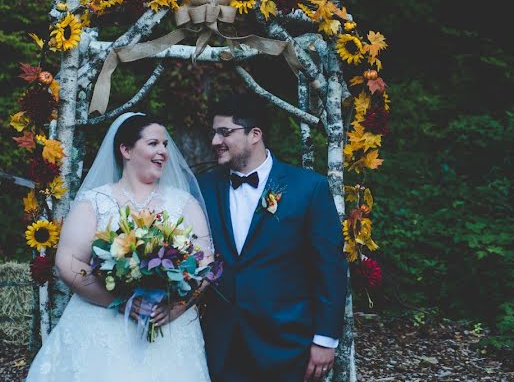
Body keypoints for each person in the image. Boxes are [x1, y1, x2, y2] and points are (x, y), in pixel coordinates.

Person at [26, 112, 213, 382]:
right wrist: (120, 301)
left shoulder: (184, 203)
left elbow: (205, 264)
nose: (162, 151)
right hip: (102, 326)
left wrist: (175, 308)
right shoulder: (95, 201)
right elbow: (68, 261)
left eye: (165, 145)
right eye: (153, 144)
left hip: (168, 328)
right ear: (125, 149)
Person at [197, 95, 347, 382]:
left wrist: (325, 339)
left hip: (286, 342)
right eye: (214, 133)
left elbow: (329, 267)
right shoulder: (203, 188)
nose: (215, 141)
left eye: (225, 132)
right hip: (221, 341)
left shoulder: (308, 188)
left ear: (255, 135)